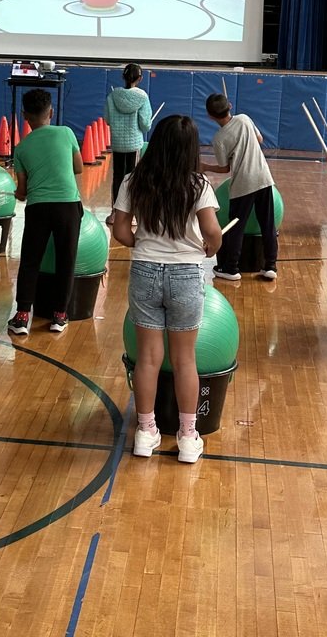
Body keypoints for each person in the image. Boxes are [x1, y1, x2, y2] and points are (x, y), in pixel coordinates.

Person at [113, 115, 221, 463]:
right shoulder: (198, 185)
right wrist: (211, 248)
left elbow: (120, 230)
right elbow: (212, 232)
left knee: (147, 358)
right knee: (185, 359)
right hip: (186, 275)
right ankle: (188, 437)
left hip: (144, 271)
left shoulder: (134, 180)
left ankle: (145, 432)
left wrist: (141, 245)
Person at [7, 88, 83, 335]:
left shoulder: (21, 148)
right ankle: (59, 315)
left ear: (24, 115)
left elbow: (22, 191)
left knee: (30, 261)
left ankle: (22, 316)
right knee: (66, 260)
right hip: (68, 206)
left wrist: (19, 194)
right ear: (50, 112)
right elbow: (78, 168)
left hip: (38, 208)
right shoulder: (66, 133)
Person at [200, 93, 277, 282]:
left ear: (209, 116)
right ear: (230, 106)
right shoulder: (244, 118)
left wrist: (205, 167)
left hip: (243, 185)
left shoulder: (219, 138)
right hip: (264, 178)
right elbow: (259, 139)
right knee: (268, 225)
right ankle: (270, 266)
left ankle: (231, 268)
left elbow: (225, 168)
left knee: (236, 227)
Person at [103, 63, 152, 227]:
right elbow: (145, 125)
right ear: (140, 78)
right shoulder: (142, 97)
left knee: (118, 177)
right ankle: (131, 214)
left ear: (123, 77)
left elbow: (107, 120)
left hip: (117, 143)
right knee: (133, 178)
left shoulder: (112, 96)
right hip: (134, 144)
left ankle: (114, 213)